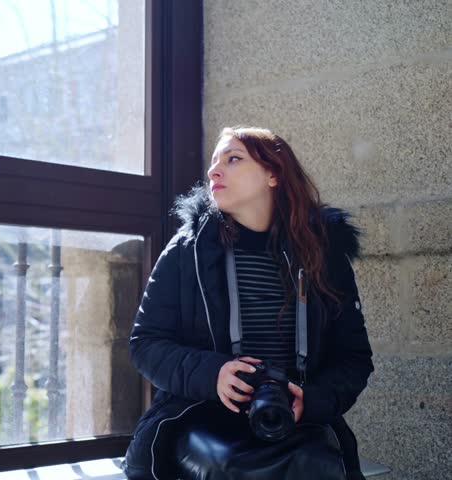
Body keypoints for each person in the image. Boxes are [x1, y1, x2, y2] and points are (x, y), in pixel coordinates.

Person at [121, 127, 374, 480]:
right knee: (228, 466)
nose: (214, 171)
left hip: (294, 420)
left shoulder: (324, 256)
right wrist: (214, 374)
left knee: (319, 465)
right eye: (213, 162)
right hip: (198, 414)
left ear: (274, 174)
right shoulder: (187, 251)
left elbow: (354, 357)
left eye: (233, 159)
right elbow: (145, 345)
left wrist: (311, 400)